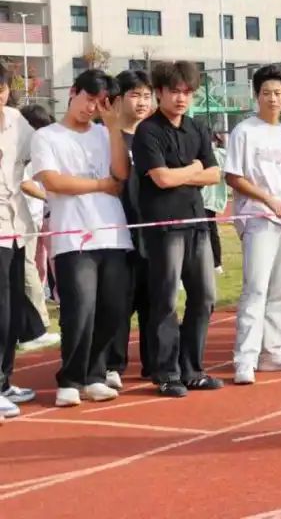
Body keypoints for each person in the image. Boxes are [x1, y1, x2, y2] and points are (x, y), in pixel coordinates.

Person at [33, 69, 133, 407]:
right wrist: (100, 186)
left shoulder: (106, 134)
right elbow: (53, 181)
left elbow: (121, 174)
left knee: (114, 309)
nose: (92, 108)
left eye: (100, 103)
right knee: (80, 309)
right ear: (73, 92)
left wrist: (114, 127)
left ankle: (95, 373)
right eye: (88, 99)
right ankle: (71, 378)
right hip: (73, 236)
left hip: (113, 234)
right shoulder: (47, 136)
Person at [133, 61, 225, 398]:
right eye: (174, 91)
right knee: (167, 297)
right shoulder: (148, 131)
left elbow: (214, 175)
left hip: (197, 222)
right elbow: (161, 178)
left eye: (187, 92)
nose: (181, 97)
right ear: (160, 92)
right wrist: (193, 168)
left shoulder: (197, 128)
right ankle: (167, 372)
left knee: (204, 296)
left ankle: (193, 369)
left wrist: (184, 172)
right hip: (164, 227)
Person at [225, 65, 281, 384]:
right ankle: (244, 358)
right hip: (258, 218)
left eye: (278, 93)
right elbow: (234, 176)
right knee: (256, 287)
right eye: (266, 93)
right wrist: (268, 199)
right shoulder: (244, 131)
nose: (272, 99)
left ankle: (271, 351)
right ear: (256, 95)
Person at [106, 69, 155, 383]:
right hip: (116, 231)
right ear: (119, 99)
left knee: (154, 300)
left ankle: (156, 363)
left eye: (146, 95)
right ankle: (112, 365)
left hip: (152, 231)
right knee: (117, 301)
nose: (141, 102)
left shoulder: (154, 136)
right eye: (134, 95)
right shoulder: (105, 137)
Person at [0, 65, 38, 418]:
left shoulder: (16, 121)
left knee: (11, 308)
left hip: (15, 226)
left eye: (1, 90)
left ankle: (4, 380)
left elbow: (37, 154)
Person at [15, 105, 55, 351]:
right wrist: (50, 196)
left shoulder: (33, 147)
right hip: (20, 218)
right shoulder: (21, 146)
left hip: (32, 217)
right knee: (27, 269)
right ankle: (37, 324)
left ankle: (33, 325)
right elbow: (24, 184)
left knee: (32, 268)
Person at [201, 131, 229, 275]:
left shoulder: (222, 154)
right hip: (197, 198)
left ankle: (216, 263)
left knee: (211, 231)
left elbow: (228, 173)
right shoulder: (198, 154)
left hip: (210, 200)